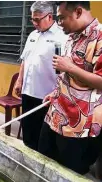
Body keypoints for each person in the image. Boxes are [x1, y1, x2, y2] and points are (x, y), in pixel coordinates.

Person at [38, 1, 102, 175]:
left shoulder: (100, 37)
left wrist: (70, 67)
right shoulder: (72, 37)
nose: (59, 23)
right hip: (56, 115)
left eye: (62, 18)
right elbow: (68, 77)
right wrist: (55, 93)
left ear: (78, 12)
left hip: (78, 126)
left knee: (68, 173)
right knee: (43, 161)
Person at [14, 1, 68, 151]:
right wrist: (19, 80)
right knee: (28, 130)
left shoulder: (62, 37)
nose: (34, 23)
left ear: (50, 16)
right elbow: (25, 59)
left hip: (46, 96)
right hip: (28, 92)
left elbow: (64, 70)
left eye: (38, 19)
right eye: (33, 19)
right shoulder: (33, 35)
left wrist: (57, 92)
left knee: (42, 137)